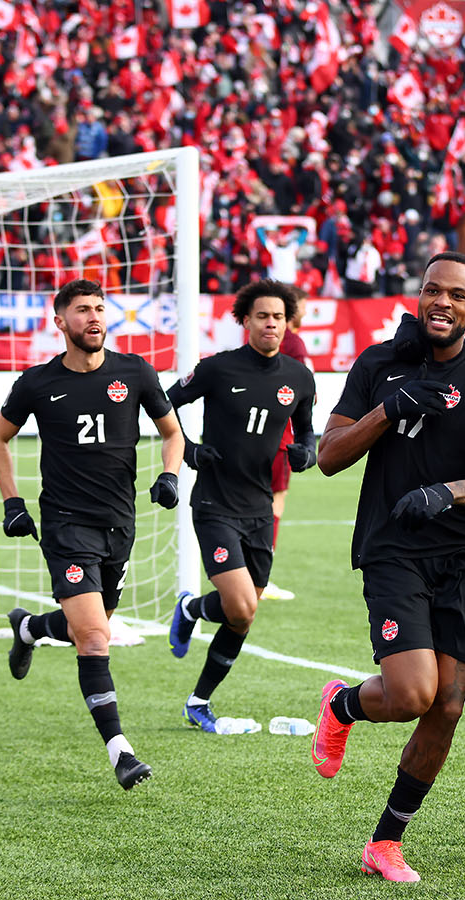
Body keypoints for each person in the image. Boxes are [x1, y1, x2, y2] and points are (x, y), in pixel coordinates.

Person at [310, 252, 465, 883]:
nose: (442, 302)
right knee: (412, 694)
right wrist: (390, 410)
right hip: (392, 546)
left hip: (464, 555)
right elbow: (328, 456)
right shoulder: (379, 364)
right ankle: (344, 705)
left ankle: (385, 841)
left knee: (448, 707)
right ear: (418, 296)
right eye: (432, 290)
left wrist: (448, 492)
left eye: (457, 295)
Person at [0, 279, 183, 790]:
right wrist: (13, 502)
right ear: (60, 322)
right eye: (81, 311)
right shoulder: (36, 383)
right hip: (65, 526)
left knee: (86, 626)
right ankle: (121, 752)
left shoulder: (135, 371)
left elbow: (172, 432)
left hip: (120, 525)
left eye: (100, 309)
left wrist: (169, 474)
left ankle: (28, 628)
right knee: (95, 638)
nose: (94, 318)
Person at [164, 280, 316, 732]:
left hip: (259, 509)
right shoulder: (217, 369)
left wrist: (306, 452)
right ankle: (198, 700)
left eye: (278, 317)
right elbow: (163, 404)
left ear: (287, 323)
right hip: (214, 503)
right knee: (242, 607)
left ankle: (192, 618)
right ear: (245, 320)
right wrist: (189, 450)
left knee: (242, 611)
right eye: (262, 316)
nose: (271, 323)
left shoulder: (299, 377)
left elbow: (307, 431)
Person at [261, 300, 313, 602]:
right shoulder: (292, 342)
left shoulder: (258, 340)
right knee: (274, 504)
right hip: (280, 437)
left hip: (254, 435)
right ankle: (261, 576)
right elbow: (308, 389)